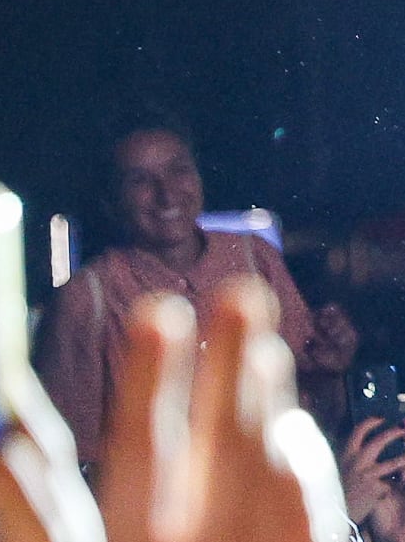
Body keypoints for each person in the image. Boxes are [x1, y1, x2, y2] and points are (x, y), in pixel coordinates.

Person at [31, 112, 312, 464]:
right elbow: (67, 452)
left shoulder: (256, 259)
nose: (166, 194)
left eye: (178, 170)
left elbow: (306, 398)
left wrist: (330, 366)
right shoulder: (89, 298)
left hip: (266, 502)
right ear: (111, 200)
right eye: (140, 180)